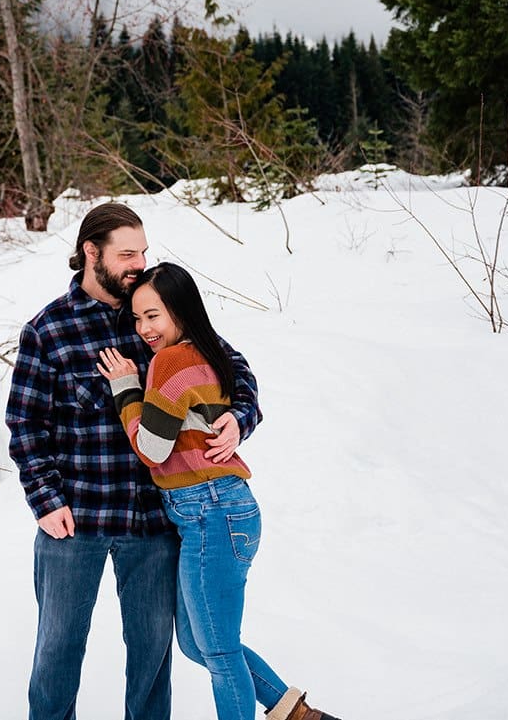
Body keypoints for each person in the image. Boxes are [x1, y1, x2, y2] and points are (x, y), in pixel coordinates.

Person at [7, 202, 236, 720]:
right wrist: (45, 500)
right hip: (76, 520)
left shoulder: (155, 316)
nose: (139, 262)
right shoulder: (48, 331)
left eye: (144, 252)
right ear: (92, 252)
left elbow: (231, 367)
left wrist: (239, 416)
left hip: (154, 519)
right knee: (58, 651)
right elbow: (25, 425)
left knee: (152, 656)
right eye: (127, 253)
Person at [97, 262, 344, 720]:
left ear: (180, 309)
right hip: (212, 511)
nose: (144, 328)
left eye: (153, 315)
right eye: (136, 318)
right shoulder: (205, 352)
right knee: (198, 643)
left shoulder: (171, 361)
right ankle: (295, 713)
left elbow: (151, 449)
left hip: (212, 510)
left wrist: (125, 387)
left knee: (219, 650)